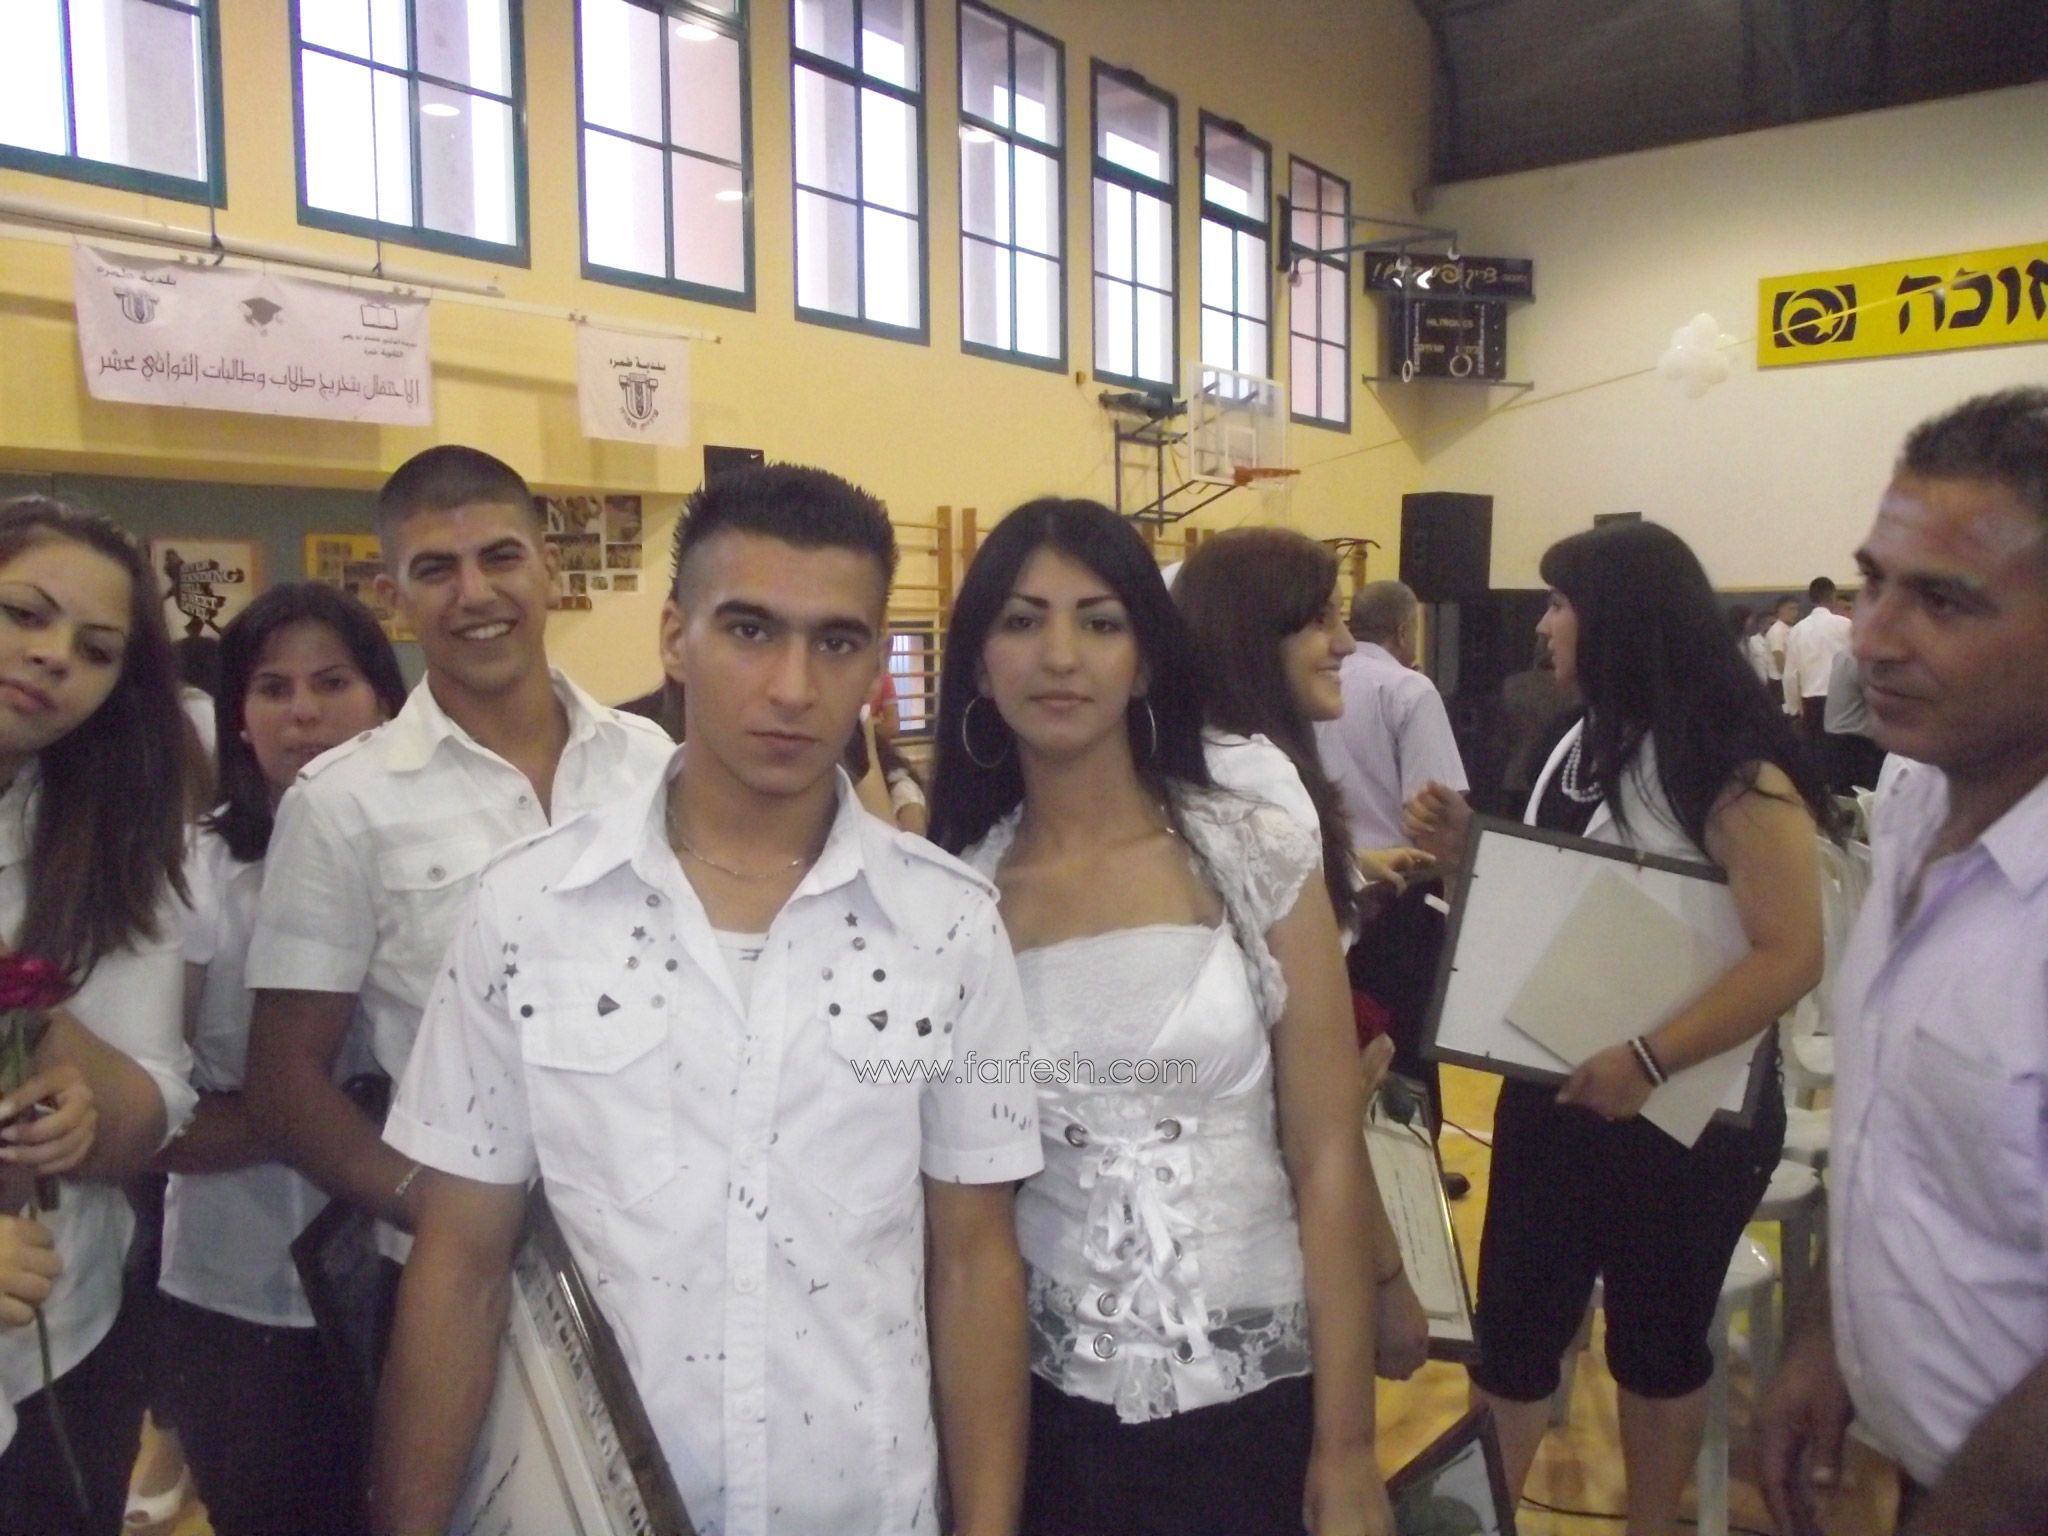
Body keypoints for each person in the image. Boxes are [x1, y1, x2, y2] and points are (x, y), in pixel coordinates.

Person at [372, 465, 1040, 1536]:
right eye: (749, 630)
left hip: (858, 1506)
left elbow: (973, 1260)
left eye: (835, 642)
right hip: (587, 1511)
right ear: (674, 638)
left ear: (874, 664)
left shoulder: (949, 924)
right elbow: (460, 1261)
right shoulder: (528, 909)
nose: (792, 687)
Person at [930, 499, 1394, 1536]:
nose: (1060, 656)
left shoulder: (1253, 850)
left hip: (1264, 1389)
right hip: (1054, 1410)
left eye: (1098, 621)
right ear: (979, 668)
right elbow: (968, 1233)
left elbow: (1325, 1152)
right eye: (1021, 621)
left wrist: (1348, 1444)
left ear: (1144, 661)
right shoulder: (958, 901)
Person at [1406, 519, 1830, 1536]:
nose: (1544, 625)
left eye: (1560, 604)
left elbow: (1790, 952)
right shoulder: (1578, 738)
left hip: (1685, 1111)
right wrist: (1470, 853)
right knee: (1514, 1337)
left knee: (1655, 1345)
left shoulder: (1730, 764)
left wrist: (1647, 1058)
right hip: (1557, 1088)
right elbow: (1560, 895)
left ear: (1621, 621)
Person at [242, 449, 672, 1351]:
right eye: (436, 569)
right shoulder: (342, 804)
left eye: (500, 557)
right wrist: (438, 1212)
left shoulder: (656, 764)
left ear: (548, 567)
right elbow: (285, 1086)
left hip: (669, 1242)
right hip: (462, 1275)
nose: (474, 593)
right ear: (393, 596)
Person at [1759, 388, 2048, 1536]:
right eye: (1872, 581)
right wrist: (1829, 1331)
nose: (1872, 637)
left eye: (1942, 600)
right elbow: (1895, 1130)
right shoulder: (1920, 792)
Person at [150, 585, 406, 1535]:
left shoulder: (436, 860)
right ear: (239, 719)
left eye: (332, 683)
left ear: (386, 702)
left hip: (420, 1281)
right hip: (241, 1294)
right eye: (273, 688)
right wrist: (305, 1112)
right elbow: (148, 1116)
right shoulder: (190, 873)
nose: (303, 711)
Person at [1173, 526, 1435, 1381]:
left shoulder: (1199, 761)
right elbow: (1306, 1085)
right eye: (1320, 621)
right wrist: (1386, 1272)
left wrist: (1351, 875)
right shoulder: (1262, 778)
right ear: (1254, 637)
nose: (1347, 644)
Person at [0, 497, 198, 1536]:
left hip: (62, 1343)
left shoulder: (107, 825)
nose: (51, 657)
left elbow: (150, 1108)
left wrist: (63, 1066)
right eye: (23, 613)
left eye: (96, 649)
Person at [1315, 579, 1469, 1139]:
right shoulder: (1408, 689)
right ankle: (1411, 1172)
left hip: (1322, 892)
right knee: (1405, 1059)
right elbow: (1435, 812)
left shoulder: (1307, 684)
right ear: (1406, 630)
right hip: (1398, 891)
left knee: (1336, 1049)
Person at [1783, 577, 1855, 733]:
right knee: (1843, 745)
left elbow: (1790, 676)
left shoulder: (1797, 630)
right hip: (1843, 699)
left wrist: (1794, 709)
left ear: (1810, 599)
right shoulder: (1846, 625)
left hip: (1812, 701)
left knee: (1816, 746)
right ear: (1833, 597)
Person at [1820, 640, 1883, 794]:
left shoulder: (1843, 655)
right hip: (1855, 741)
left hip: (1835, 735)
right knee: (1863, 795)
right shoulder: (1860, 659)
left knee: (1842, 795)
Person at [1764, 595, 1799, 688]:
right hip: (1779, 681)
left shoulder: (1789, 628)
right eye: (1791, 609)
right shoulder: (1777, 630)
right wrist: (1789, 678)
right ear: (1780, 610)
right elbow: (1778, 655)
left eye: (1796, 609)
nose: (1795, 613)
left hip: (1789, 679)